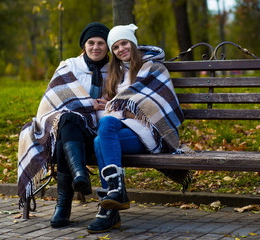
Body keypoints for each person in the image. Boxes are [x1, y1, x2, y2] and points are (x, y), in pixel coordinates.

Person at [86, 24, 187, 234]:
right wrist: (115, 106)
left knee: (105, 127)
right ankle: (113, 201)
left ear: (132, 43)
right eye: (115, 47)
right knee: (99, 138)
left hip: (150, 133)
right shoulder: (116, 74)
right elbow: (121, 105)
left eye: (124, 43)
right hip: (124, 131)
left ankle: (110, 208)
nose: (121, 49)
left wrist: (117, 108)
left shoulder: (154, 69)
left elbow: (152, 108)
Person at [17, 22, 110, 228]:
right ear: (84, 45)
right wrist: (87, 104)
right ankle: (79, 175)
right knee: (67, 118)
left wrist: (106, 104)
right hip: (71, 129)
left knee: (63, 141)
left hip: (98, 133)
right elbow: (55, 99)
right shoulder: (69, 66)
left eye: (101, 43)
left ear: (107, 46)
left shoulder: (115, 70)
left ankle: (64, 205)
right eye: (91, 43)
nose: (96, 47)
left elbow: (120, 100)